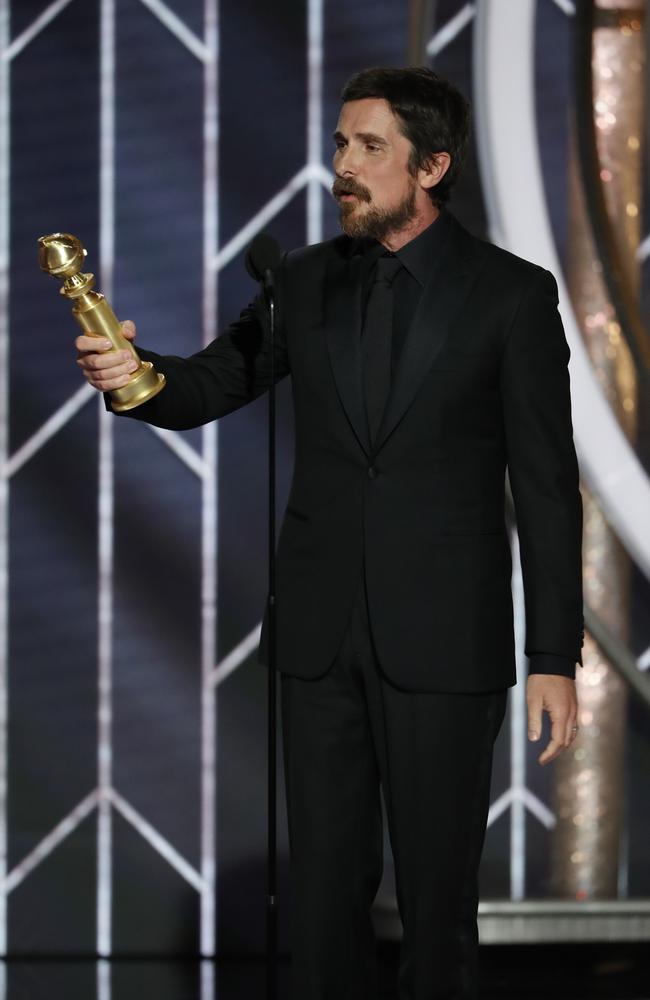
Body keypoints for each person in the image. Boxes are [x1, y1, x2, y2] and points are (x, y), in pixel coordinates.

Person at [76, 67, 584, 1000]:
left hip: (443, 643)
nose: (341, 166)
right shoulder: (302, 281)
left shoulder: (512, 295)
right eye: (341, 143)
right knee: (319, 901)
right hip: (317, 638)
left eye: (369, 148)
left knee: (436, 906)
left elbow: (547, 486)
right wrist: (132, 373)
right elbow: (210, 385)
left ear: (431, 166)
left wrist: (554, 649)